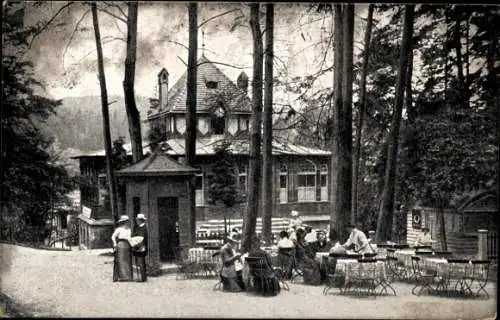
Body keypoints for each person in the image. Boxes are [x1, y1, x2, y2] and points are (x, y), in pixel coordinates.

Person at [111, 215, 133, 282]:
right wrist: (114, 244)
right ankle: (121, 277)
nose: (126, 223)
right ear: (123, 222)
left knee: (127, 260)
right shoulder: (119, 229)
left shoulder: (129, 229)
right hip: (121, 244)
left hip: (127, 244)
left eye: (127, 221)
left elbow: (130, 238)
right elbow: (113, 237)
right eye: (125, 222)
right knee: (121, 260)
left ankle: (127, 276)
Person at [132, 213, 148, 282]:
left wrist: (135, 242)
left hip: (141, 247)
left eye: (138, 220)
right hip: (137, 247)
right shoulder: (139, 227)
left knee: (141, 262)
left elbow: (141, 238)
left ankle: (142, 278)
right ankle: (141, 277)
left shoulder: (143, 228)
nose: (137, 221)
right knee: (139, 262)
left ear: (140, 220)